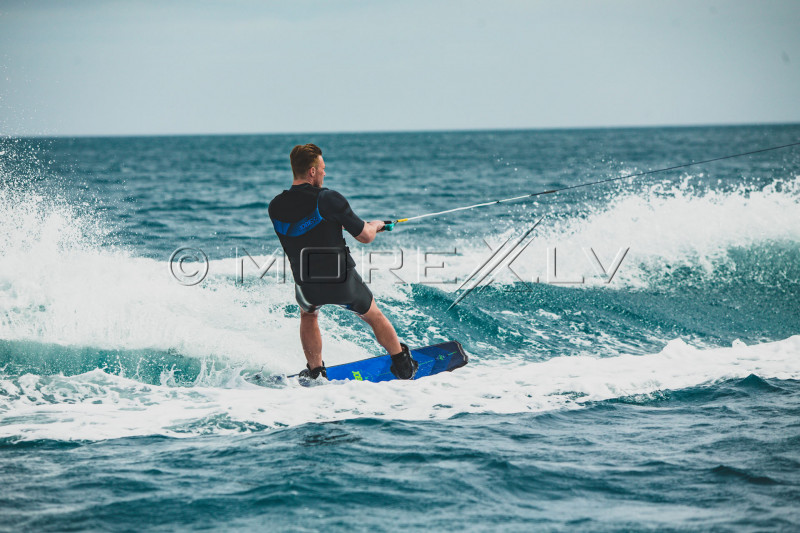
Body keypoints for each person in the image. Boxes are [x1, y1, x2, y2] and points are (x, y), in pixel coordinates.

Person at [268, 143, 418, 380]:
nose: (325, 173)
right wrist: (378, 224)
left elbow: (304, 231)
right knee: (373, 314)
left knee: (308, 315)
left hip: (305, 281)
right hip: (340, 279)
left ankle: (316, 372)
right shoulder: (329, 199)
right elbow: (365, 236)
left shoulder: (275, 206)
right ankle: (402, 364)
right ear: (312, 171)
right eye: (322, 168)